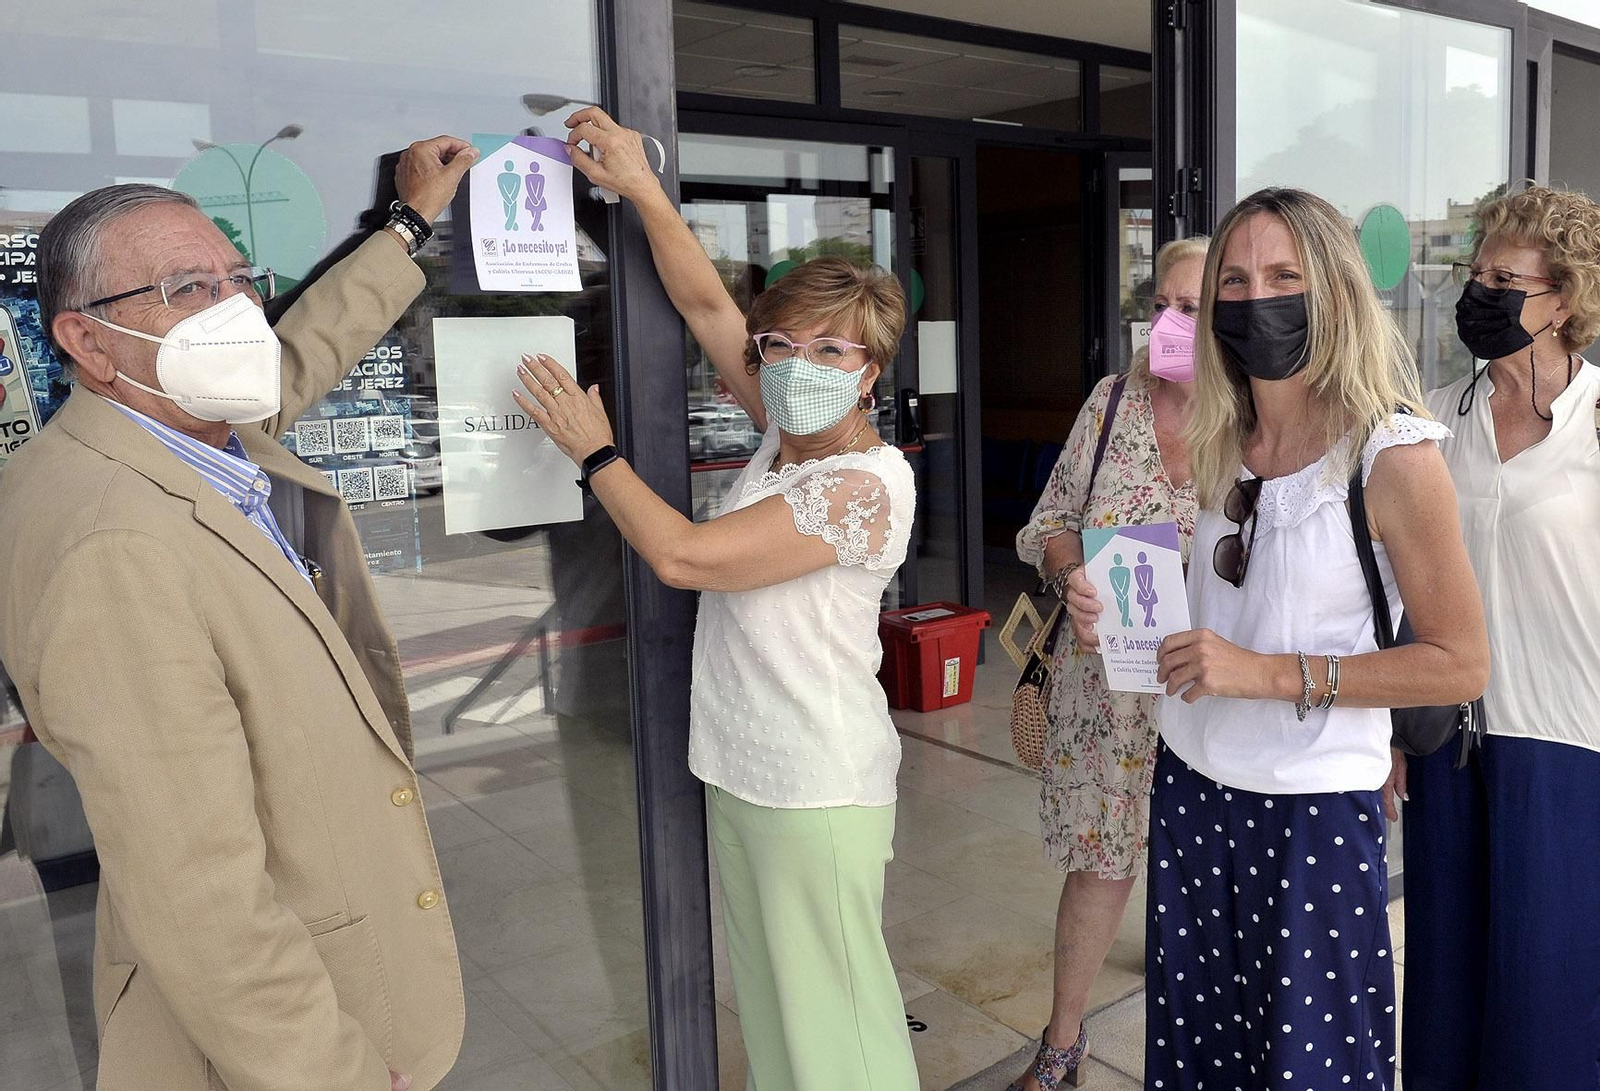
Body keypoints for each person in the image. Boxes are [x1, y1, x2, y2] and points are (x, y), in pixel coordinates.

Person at [0, 136, 478, 1091]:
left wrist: (407, 225)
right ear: (86, 342)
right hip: (288, 1050)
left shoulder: (173, 429)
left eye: (237, 278)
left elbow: (301, 355)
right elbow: (199, 894)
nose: (237, 313)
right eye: (185, 291)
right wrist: (328, 1073)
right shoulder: (112, 548)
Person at [507, 105, 919, 1091]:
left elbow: (685, 556)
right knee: (781, 1012)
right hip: (746, 768)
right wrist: (641, 187)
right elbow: (702, 306)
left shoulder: (862, 485)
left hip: (815, 785)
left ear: (872, 372)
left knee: (839, 1027)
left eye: (836, 351)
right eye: (784, 344)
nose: (802, 366)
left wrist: (592, 449)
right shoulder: (786, 440)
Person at [1143, 187, 1488, 1091]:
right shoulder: (1223, 437)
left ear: (1332, 290)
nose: (1258, 299)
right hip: (1189, 785)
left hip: (1309, 813)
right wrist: (1132, 617)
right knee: (1201, 1059)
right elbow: (1223, 609)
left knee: (1316, 1068)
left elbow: (1460, 659)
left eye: (1286, 276)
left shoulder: (1392, 453)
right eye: (1238, 279)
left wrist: (1264, 673)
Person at [1403, 185, 1600, 1090]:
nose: (1478, 290)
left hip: (1567, 739)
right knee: (1446, 978)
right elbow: (1409, 576)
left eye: (1504, 276)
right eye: (1474, 272)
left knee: (1545, 994)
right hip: (1452, 739)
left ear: (1563, 296)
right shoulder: (1439, 417)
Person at [1010, 235, 1206, 1090]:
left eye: (1197, 307)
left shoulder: (1270, 419)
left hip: (1214, 692)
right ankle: (1062, 1041)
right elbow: (1049, 518)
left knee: (1207, 871)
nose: (1173, 320)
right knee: (1100, 864)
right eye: (1165, 302)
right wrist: (1071, 572)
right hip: (1107, 691)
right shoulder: (1112, 400)